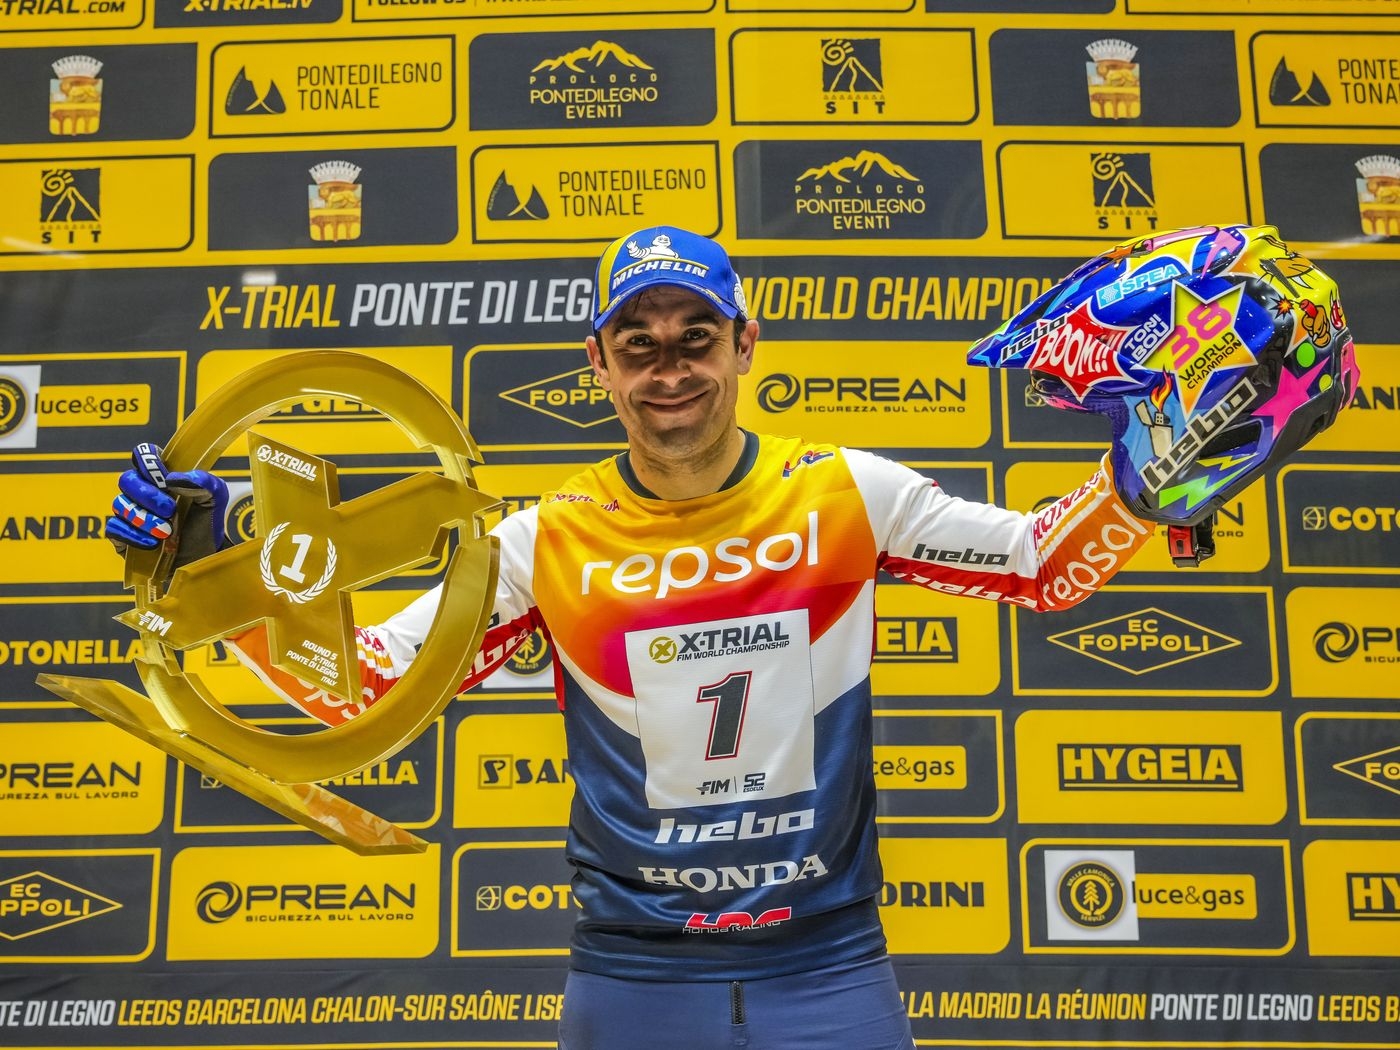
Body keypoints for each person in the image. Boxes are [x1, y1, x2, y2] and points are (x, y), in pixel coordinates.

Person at [108, 226, 1167, 1050]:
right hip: (634, 978)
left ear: (744, 344)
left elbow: (1040, 564)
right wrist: (220, 564)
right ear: (600, 364)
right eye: (639, 344)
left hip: (830, 967)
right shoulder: (542, 541)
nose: (671, 369)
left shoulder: (846, 490)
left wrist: (1158, 467)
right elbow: (364, 691)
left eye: (697, 337)